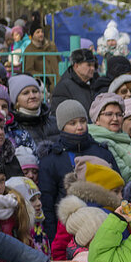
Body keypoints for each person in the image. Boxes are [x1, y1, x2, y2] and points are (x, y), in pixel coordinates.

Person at [38, 100, 119, 237]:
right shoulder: (51, 160)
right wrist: (53, 239)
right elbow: (48, 204)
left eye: (82, 121)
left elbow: (118, 186)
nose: (80, 127)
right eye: (72, 123)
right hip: (69, 229)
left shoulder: (102, 152)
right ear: (62, 126)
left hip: (107, 223)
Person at [7, 74, 57, 150]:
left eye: (35, 91)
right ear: (16, 100)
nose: (32, 96)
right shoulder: (12, 128)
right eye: (26, 93)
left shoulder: (54, 122)